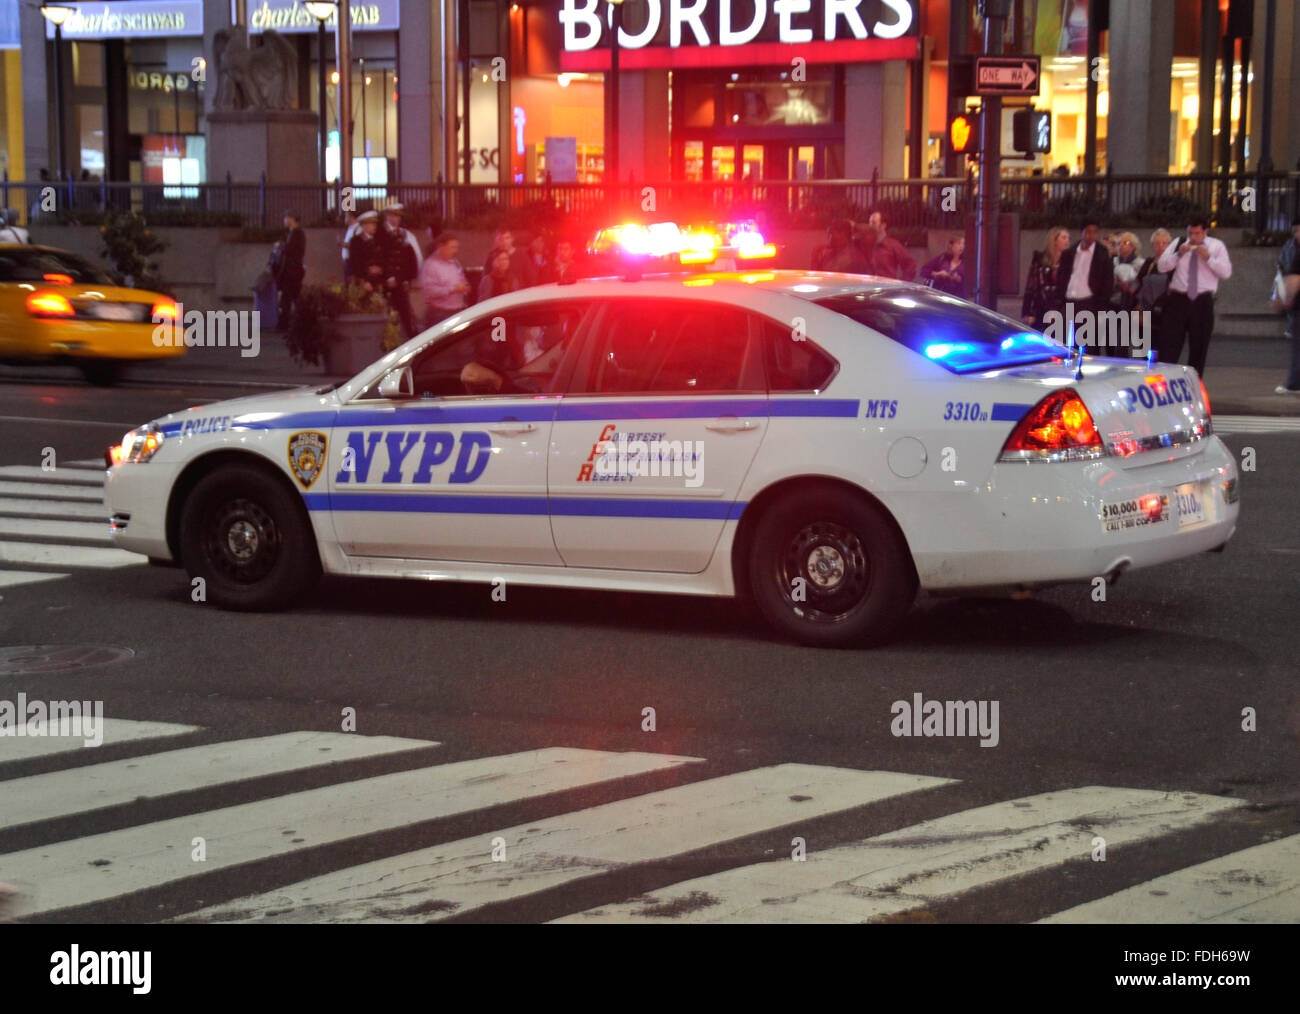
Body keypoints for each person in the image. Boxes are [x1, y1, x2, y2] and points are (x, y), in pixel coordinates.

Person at [1156, 216, 1232, 376]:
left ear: (1205, 231)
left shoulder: (1216, 246)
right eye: (1191, 233)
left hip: (1202, 301)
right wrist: (1178, 255)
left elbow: (1226, 272)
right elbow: (1161, 267)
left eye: (1197, 233)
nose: (1194, 237)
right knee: (1169, 345)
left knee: (1199, 347)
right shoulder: (1179, 242)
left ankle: (1194, 384)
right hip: (1178, 299)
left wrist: (1209, 258)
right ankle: (1163, 382)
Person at [1060, 219, 1115, 327]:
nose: (1092, 235)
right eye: (1088, 232)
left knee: (1088, 340)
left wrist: (1101, 307)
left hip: (1089, 303)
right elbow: (1062, 277)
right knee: (1065, 340)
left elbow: (1108, 282)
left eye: (1095, 232)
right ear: (1081, 233)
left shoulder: (1102, 254)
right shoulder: (1070, 253)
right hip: (1069, 301)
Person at [380, 205, 420, 337]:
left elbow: (410, 259)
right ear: (387, 217)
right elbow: (381, 259)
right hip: (385, 283)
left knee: (405, 314)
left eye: (398, 216)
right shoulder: (380, 234)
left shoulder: (405, 235)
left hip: (401, 281)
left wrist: (407, 279)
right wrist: (387, 277)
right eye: (392, 215)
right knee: (385, 314)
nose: (395, 219)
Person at [1022, 226, 1071, 329]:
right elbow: (1031, 286)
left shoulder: (1068, 262)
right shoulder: (1040, 259)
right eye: (1064, 237)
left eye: (1068, 238)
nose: (1067, 241)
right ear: (1054, 240)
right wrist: (1026, 312)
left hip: (1060, 311)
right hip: (1041, 309)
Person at [1272, 215, 1300, 394]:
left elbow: (1294, 277)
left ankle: (1294, 383)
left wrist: (1285, 298)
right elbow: (1282, 272)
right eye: (1295, 231)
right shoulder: (1291, 247)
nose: (1296, 235)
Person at [420, 231, 471, 329]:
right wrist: (452, 289)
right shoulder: (430, 265)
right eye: (452, 247)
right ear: (441, 247)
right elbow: (430, 291)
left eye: (457, 247)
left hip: (457, 311)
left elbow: (461, 278)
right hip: (440, 315)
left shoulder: (454, 262)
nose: (455, 251)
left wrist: (465, 287)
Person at [274, 210, 306, 331]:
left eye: (286, 217)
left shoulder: (297, 233)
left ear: (292, 219)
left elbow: (290, 249)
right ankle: (293, 323)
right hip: (293, 271)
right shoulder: (294, 233)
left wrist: (279, 245)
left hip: (293, 271)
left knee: (289, 298)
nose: (284, 220)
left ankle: (285, 324)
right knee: (292, 298)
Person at [866, 211, 917, 281]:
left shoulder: (893, 245)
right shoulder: (865, 245)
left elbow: (910, 265)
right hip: (867, 288)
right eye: (869, 222)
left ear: (883, 225)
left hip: (885, 288)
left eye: (874, 223)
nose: (870, 226)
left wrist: (902, 284)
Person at [347, 210, 387, 292]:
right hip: (364, 283)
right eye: (372, 224)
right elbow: (355, 263)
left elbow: (384, 258)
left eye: (375, 224)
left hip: (378, 282)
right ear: (364, 225)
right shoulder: (356, 241)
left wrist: (380, 269)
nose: (375, 226)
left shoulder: (378, 240)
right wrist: (364, 281)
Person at [1112, 231, 1143, 310]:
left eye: (1126, 242)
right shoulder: (1112, 262)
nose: (1121, 245)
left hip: (1135, 304)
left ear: (1133, 246)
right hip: (1113, 303)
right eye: (1118, 243)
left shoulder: (1141, 263)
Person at [339, 210, 360, 279]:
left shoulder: (357, 229)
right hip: (347, 262)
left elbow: (356, 246)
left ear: (351, 217)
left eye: (346, 216)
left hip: (353, 263)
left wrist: (343, 244)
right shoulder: (349, 228)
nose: (345, 218)